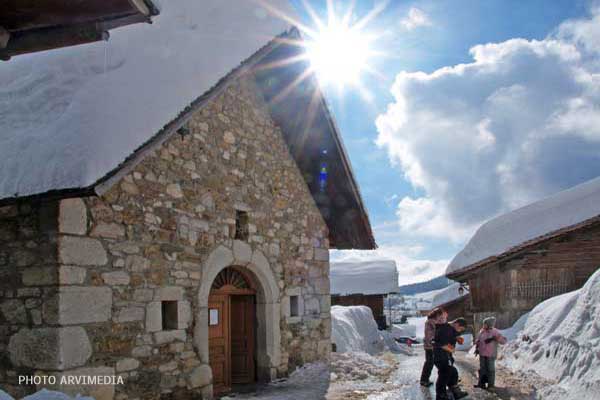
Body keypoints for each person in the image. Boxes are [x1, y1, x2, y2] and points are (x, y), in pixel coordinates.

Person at [433, 317, 469, 400]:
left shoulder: (450, 329)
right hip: (441, 356)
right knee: (444, 375)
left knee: (453, 372)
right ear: (456, 324)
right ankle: (441, 396)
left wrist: (457, 338)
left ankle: (455, 391)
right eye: (460, 329)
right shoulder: (446, 329)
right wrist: (452, 349)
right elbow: (443, 344)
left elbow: (450, 338)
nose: (459, 331)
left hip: (445, 356)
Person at [474, 317, 507, 390]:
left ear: (489, 324)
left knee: (490, 370)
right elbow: (478, 340)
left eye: (485, 324)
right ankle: (481, 384)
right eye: (483, 324)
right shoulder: (482, 331)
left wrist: (495, 338)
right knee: (482, 369)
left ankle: (491, 385)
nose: (483, 325)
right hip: (482, 354)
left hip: (490, 354)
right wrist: (477, 347)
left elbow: (504, 341)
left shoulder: (495, 332)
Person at [420, 307, 446, 387]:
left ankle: (425, 379)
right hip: (430, 346)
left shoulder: (432, 321)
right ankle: (424, 380)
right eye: (440, 315)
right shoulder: (431, 322)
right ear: (437, 315)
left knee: (431, 362)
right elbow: (431, 334)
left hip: (431, 345)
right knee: (430, 363)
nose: (441, 317)